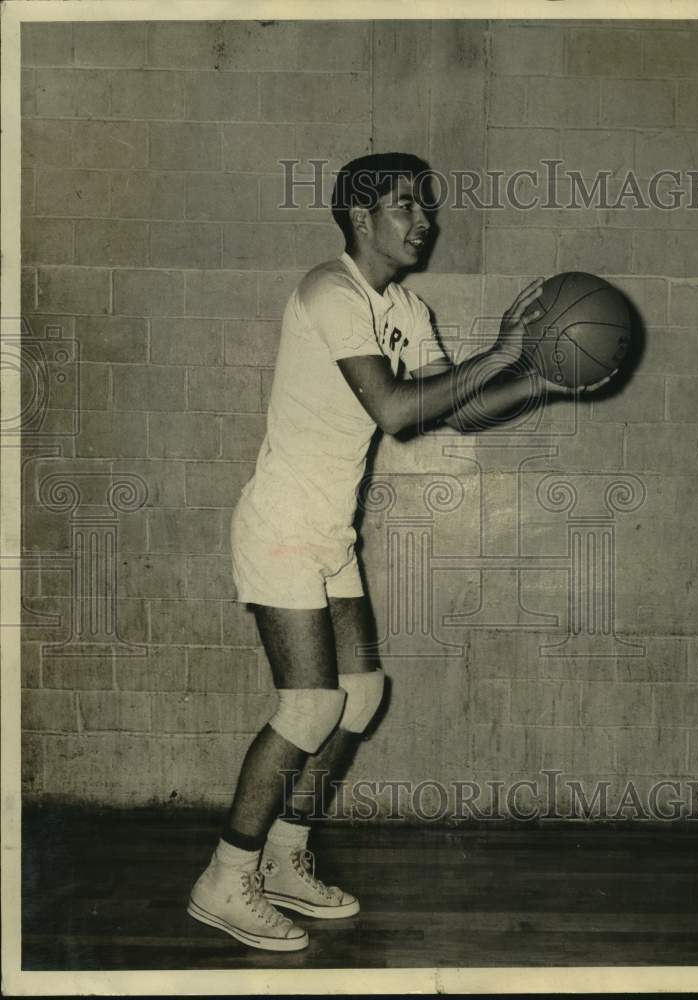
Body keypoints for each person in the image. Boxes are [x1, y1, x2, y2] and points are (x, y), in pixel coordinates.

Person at [186, 152, 580, 951]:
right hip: (280, 524)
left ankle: (287, 859)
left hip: (328, 531)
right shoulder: (329, 292)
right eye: (406, 206)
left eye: (425, 207)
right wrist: (505, 350)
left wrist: (544, 381)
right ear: (359, 217)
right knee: (309, 704)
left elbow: (453, 412)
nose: (422, 221)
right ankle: (225, 878)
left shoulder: (404, 305)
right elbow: (398, 409)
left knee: (359, 695)